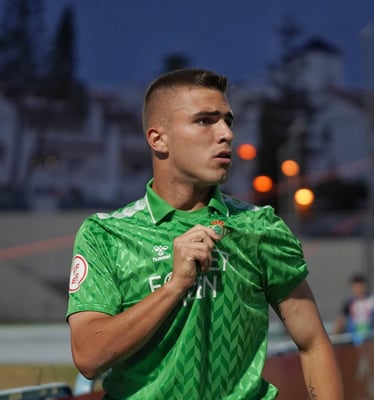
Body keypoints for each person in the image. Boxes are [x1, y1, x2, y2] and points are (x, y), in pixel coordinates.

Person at [66, 68, 343, 399]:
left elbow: (314, 343)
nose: (226, 134)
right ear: (158, 139)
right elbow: (89, 357)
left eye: (228, 121)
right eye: (205, 121)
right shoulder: (106, 235)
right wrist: (175, 286)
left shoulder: (259, 227)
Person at [332, 274, 374, 339]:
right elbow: (341, 320)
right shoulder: (348, 303)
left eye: (360, 286)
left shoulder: (373, 301)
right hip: (351, 337)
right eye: (356, 287)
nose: (358, 289)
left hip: (369, 336)